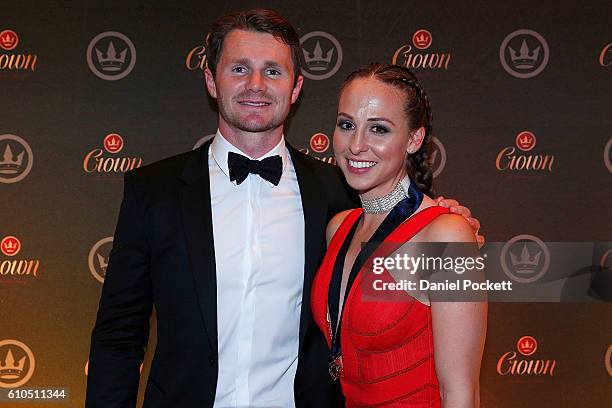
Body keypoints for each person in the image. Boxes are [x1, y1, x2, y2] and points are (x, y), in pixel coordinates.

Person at [86, 9, 483, 408]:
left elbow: (406, 225)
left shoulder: (337, 195)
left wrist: (451, 225)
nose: (255, 85)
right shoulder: (153, 192)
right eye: (239, 68)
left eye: (273, 71)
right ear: (211, 80)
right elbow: (118, 336)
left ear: (296, 89)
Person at [311, 64, 487, 407]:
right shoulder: (339, 228)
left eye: (378, 129)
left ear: (414, 139)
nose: (356, 145)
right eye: (347, 125)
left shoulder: (445, 235)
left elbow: (461, 392)